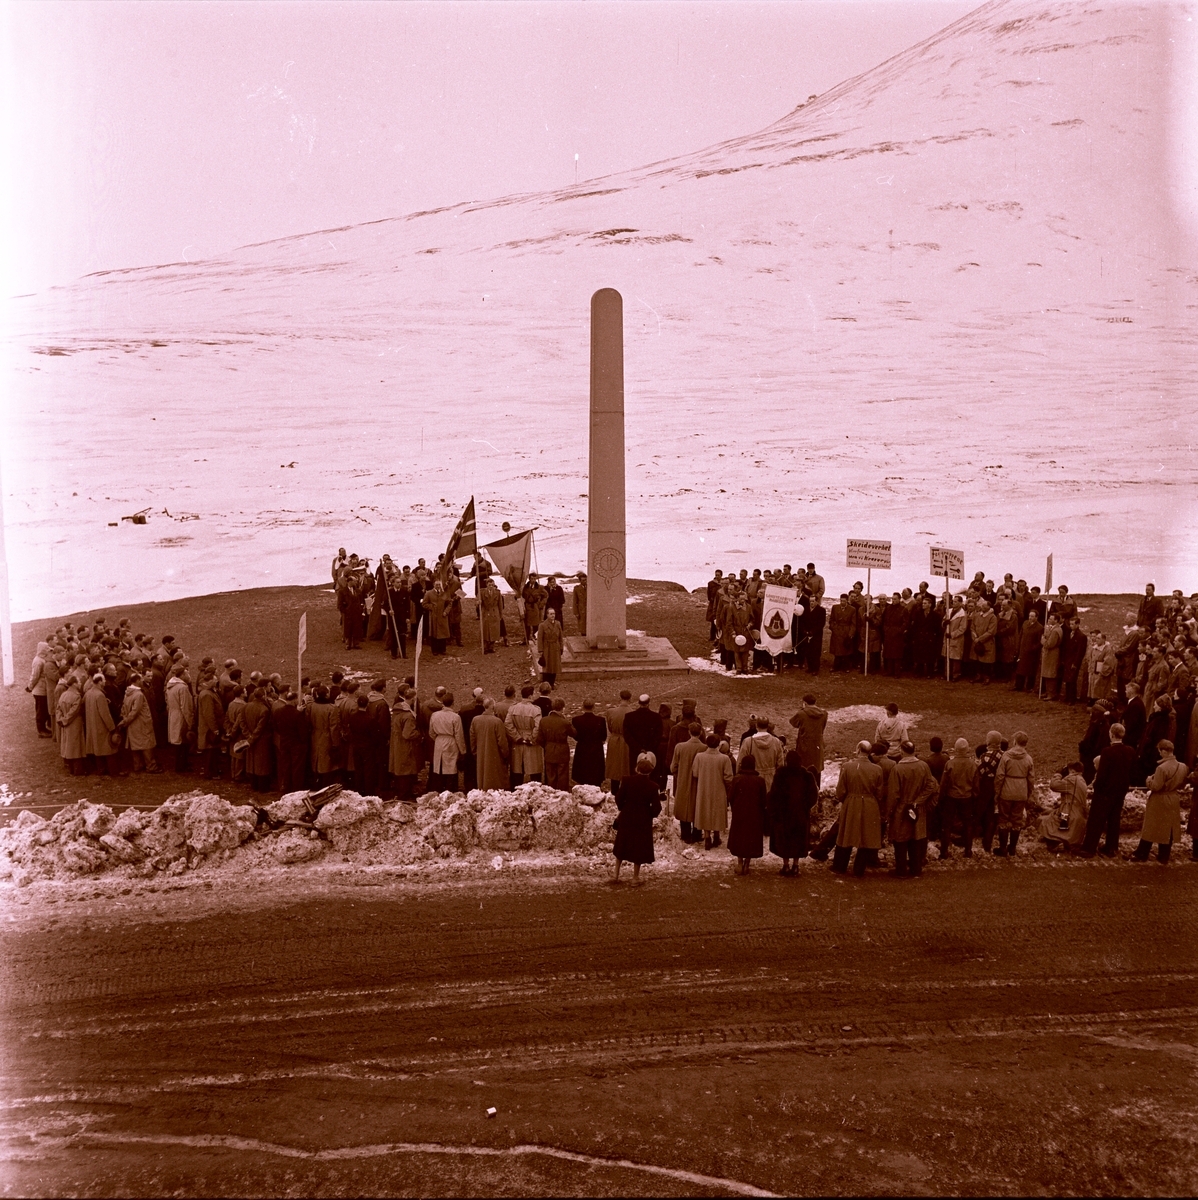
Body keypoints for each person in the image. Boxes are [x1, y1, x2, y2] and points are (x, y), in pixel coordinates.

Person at [1080, 722, 1138, 858]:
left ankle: (1089, 848)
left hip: (1105, 791)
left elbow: (1102, 774)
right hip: (1121, 790)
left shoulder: (1107, 752)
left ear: (1111, 735)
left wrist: (1097, 788)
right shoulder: (1130, 750)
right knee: (1114, 819)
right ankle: (1111, 847)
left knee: (1096, 820)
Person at [832, 741, 885, 876]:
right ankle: (859, 868)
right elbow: (879, 792)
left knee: (846, 832)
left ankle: (840, 866)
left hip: (851, 801)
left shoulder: (847, 767)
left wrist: (844, 799)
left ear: (858, 749)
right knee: (866, 836)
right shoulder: (877, 769)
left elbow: (840, 790)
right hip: (869, 803)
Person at [612, 752, 662, 884]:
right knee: (638, 848)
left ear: (637, 769)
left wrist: (623, 807)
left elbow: (618, 797)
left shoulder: (627, 780)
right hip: (643, 818)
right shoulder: (653, 786)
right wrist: (649, 814)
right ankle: (635, 877)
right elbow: (657, 808)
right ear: (650, 771)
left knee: (622, 844)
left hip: (627, 815)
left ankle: (616, 874)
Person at [1134, 741, 1185, 863]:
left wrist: (1148, 781)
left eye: (1160, 751)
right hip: (1173, 798)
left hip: (1160, 799)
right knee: (1168, 829)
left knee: (1151, 827)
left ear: (1164, 751)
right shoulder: (1182, 766)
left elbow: (1156, 786)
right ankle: (1164, 855)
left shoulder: (1161, 768)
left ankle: (1142, 853)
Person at [767, 750, 817, 874]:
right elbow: (813, 795)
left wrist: (775, 809)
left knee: (785, 839)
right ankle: (796, 865)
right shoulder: (807, 775)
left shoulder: (781, 774)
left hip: (784, 814)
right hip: (800, 813)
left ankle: (786, 865)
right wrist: (806, 806)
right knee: (798, 839)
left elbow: (774, 794)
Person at [993, 731, 1034, 856]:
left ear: (1015, 741)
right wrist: (1028, 793)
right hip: (1021, 792)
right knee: (1017, 820)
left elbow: (1000, 776)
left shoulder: (1006, 756)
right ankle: (1012, 848)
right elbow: (1031, 779)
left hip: (1006, 791)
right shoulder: (1028, 759)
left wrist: (997, 792)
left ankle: (1003, 848)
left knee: (1003, 818)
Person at [727, 754, 768, 874]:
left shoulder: (737, 779)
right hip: (755, 814)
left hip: (740, 812)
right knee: (751, 837)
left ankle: (739, 863)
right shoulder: (760, 781)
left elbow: (730, 796)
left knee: (739, 837)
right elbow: (763, 800)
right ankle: (747, 864)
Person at [938, 738, 978, 858]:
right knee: (967, 824)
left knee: (947, 824)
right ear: (967, 749)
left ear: (955, 750)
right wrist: (974, 796)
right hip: (967, 797)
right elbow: (976, 785)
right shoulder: (973, 764)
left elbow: (944, 783)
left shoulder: (950, 764)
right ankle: (968, 850)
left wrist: (941, 797)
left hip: (951, 797)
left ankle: (944, 851)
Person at [692, 733, 734, 850]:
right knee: (717, 810)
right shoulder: (724, 758)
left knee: (705, 810)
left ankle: (706, 837)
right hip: (718, 788)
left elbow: (695, 773)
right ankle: (716, 836)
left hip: (704, 788)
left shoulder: (699, 756)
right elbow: (728, 777)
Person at [1039, 762, 1088, 852]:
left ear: (1072, 770)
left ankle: (1057, 841)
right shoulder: (1081, 780)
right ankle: (1062, 841)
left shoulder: (1072, 780)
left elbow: (1054, 786)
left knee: (1043, 820)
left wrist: (1058, 774)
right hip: (1077, 814)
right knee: (1050, 813)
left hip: (1069, 814)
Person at [670, 722, 706, 844]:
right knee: (697, 803)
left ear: (689, 732)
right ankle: (697, 833)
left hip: (683, 779)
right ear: (700, 733)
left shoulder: (680, 747)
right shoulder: (704, 748)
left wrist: (678, 772)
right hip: (698, 781)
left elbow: (673, 767)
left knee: (684, 804)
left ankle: (685, 834)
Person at [118, 674, 159, 772]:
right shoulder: (139, 694)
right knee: (146, 745)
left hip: (132, 725)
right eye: (141, 679)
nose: (142, 681)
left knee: (135, 746)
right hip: (141, 723)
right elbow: (135, 711)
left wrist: (125, 720)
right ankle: (151, 766)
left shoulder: (127, 693)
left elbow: (124, 708)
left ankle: (137, 766)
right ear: (136, 681)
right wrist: (125, 721)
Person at [505, 685, 544, 786]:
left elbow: (508, 724)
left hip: (517, 742)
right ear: (530, 696)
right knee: (534, 771)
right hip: (531, 742)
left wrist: (517, 737)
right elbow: (538, 726)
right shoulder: (536, 710)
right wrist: (531, 739)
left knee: (517, 771)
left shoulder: (513, 708)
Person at [389, 692, 423, 802]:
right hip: (405, 748)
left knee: (399, 773)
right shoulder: (408, 716)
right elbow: (408, 734)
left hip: (396, 746)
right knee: (405, 773)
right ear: (413, 699)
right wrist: (418, 734)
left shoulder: (396, 713)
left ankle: (399, 795)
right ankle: (404, 799)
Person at [429, 693, 467, 792]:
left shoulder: (435, 715)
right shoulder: (455, 717)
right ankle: (450, 789)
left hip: (439, 740)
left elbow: (431, 732)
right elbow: (459, 735)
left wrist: (437, 739)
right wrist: (462, 750)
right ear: (453, 703)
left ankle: (438, 788)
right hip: (451, 741)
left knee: (439, 766)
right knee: (451, 766)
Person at [84, 673, 119, 776]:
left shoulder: (88, 693)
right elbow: (105, 714)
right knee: (109, 749)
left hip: (92, 726)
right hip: (101, 727)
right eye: (103, 681)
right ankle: (113, 771)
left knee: (97, 750)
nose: (104, 682)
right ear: (99, 682)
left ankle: (101, 770)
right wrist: (112, 728)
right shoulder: (100, 695)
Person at [569, 699, 607, 786]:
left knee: (582, 774)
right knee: (596, 774)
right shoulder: (600, 720)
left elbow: (575, 736)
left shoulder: (576, 720)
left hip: (582, 747)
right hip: (596, 749)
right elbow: (603, 736)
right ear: (594, 707)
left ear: (583, 707)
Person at [539, 698, 573, 791]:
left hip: (549, 749)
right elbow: (574, 733)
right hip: (562, 750)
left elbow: (539, 739)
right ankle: (562, 795)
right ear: (562, 708)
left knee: (550, 775)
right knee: (562, 775)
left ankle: (550, 794)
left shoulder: (543, 721)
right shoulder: (564, 722)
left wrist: (547, 745)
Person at [788, 694, 827, 775]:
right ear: (815, 702)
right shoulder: (824, 714)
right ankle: (816, 787)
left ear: (805, 703)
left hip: (804, 745)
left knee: (804, 769)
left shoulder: (801, 714)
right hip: (818, 745)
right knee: (816, 768)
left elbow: (793, 722)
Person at [56, 677, 87, 774]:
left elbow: (58, 708)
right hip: (74, 723)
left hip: (65, 724)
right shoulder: (77, 696)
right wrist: (66, 720)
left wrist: (60, 719)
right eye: (78, 682)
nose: (80, 684)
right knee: (76, 747)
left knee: (68, 746)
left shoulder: (63, 695)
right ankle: (78, 770)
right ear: (74, 684)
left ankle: (71, 768)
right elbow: (74, 711)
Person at [26, 642, 52, 737]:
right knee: (41, 711)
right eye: (46, 649)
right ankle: (41, 731)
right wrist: (30, 686)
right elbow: (35, 676)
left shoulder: (41, 659)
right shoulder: (38, 661)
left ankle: (44, 729)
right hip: (40, 690)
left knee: (44, 710)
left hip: (43, 689)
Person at [537, 611, 563, 687]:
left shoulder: (558, 624)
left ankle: (552, 683)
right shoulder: (542, 625)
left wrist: (561, 647)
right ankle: (545, 684)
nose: (553, 615)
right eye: (551, 614)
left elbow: (560, 637)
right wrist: (541, 650)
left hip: (555, 647)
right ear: (547, 615)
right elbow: (540, 638)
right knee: (547, 666)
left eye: (554, 614)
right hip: (547, 648)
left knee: (554, 665)